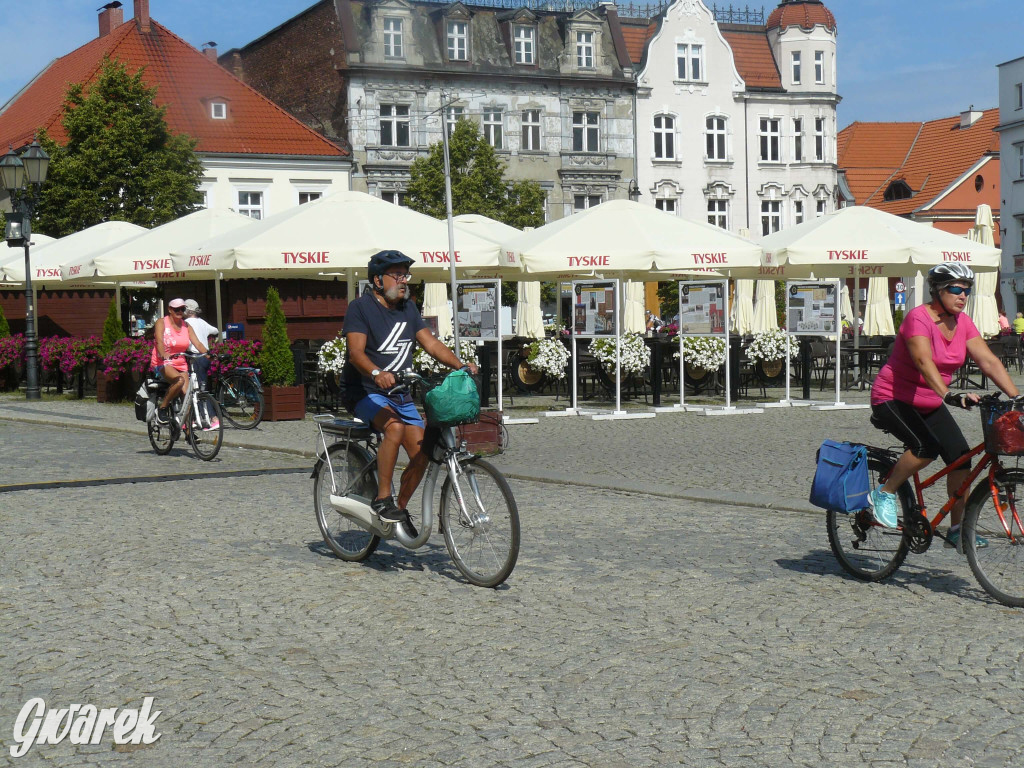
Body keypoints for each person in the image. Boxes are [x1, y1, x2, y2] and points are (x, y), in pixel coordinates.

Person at [868, 263, 1019, 551]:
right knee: (925, 448)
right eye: (956, 289)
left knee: (961, 457)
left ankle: (957, 529)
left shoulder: (963, 322)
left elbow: (988, 361)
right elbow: (924, 362)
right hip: (892, 398)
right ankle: (884, 494)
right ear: (938, 290)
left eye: (967, 291)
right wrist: (949, 394)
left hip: (928, 402)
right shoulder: (918, 319)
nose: (963, 296)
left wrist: (1016, 396)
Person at [342, 250, 479, 524]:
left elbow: (431, 343)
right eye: (398, 275)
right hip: (365, 391)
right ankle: (383, 499)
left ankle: (399, 510)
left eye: (406, 275)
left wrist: (459, 365)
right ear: (378, 280)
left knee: (422, 455)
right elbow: (356, 352)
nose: (404, 281)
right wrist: (376, 372)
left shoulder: (409, 308)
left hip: (399, 394)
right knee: (394, 428)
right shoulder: (360, 308)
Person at [150, 298, 212, 427]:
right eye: (176, 309)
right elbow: (159, 342)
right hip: (163, 362)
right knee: (179, 381)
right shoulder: (162, 322)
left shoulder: (186, 326)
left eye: (182, 309)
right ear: (169, 310)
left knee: (187, 397)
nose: (179, 312)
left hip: (180, 363)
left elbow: (198, 343)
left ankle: (188, 432)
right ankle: (163, 408)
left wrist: (208, 354)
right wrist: (163, 353)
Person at [184, 299, 220, 429]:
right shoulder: (202, 322)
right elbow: (215, 330)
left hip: (195, 357)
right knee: (202, 386)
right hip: (205, 356)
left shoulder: (186, 323)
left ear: (187, 310)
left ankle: (212, 417)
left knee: (197, 389)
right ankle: (195, 417)